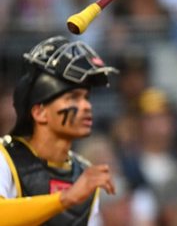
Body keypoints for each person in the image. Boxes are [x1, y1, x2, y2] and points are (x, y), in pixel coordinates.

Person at [0, 36, 118, 225]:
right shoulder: (4, 157)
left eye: (86, 98)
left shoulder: (84, 175)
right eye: (73, 98)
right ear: (40, 112)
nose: (86, 106)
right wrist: (64, 199)